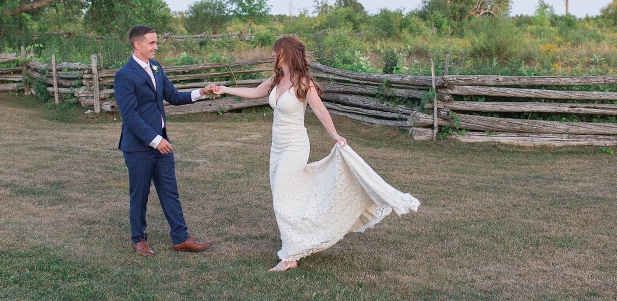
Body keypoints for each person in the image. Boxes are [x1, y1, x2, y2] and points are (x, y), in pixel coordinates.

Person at [212, 36, 420, 272]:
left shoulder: (303, 83)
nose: (272, 55)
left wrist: (335, 136)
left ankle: (290, 257)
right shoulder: (276, 79)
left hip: (295, 146)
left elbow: (320, 110)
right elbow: (254, 92)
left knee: (282, 194)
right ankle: (296, 243)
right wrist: (225, 89)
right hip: (277, 147)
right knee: (284, 196)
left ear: (286, 53)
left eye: (275, 51)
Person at [114, 25, 213, 256]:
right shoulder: (124, 75)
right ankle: (139, 239)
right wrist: (155, 140)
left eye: (156, 42)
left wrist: (202, 92)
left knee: (170, 191)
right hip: (138, 147)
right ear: (137, 45)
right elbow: (130, 116)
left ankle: (181, 238)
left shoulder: (157, 67)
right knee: (139, 194)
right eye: (151, 43)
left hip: (162, 144)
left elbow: (173, 96)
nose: (156, 47)